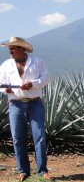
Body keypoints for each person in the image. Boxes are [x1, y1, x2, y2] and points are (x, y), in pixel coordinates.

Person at [0, 37, 52, 181]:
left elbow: (46, 78)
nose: (10, 51)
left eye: (13, 48)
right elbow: (1, 84)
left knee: (39, 136)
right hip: (15, 104)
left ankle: (42, 171)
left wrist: (33, 84)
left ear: (21, 49)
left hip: (35, 103)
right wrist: (7, 90)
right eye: (9, 48)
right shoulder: (6, 65)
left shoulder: (37, 62)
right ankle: (23, 171)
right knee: (17, 138)